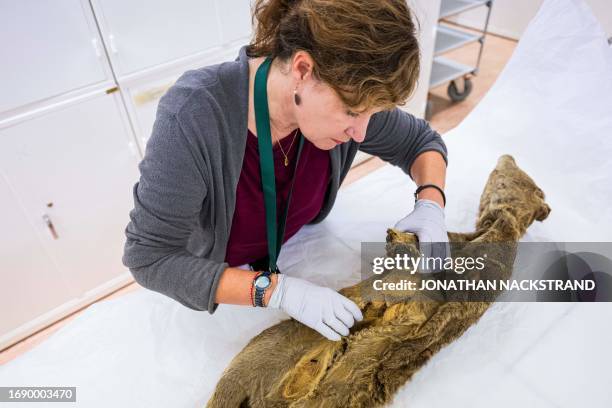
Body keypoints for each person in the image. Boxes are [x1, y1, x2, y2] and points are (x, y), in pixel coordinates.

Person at [122, 0, 449, 342]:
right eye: (352, 112)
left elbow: (422, 142)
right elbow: (150, 257)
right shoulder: (193, 115)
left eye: (371, 114)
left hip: (298, 255)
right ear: (303, 70)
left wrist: (430, 205)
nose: (362, 133)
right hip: (219, 291)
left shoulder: (351, 95)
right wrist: (276, 291)